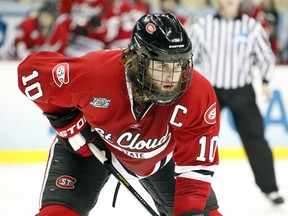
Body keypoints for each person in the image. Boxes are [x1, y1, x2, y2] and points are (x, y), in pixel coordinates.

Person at [18, 13, 222, 216]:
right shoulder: (96, 74)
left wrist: (190, 211)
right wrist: (67, 121)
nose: (172, 76)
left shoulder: (197, 93)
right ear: (138, 60)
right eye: (161, 66)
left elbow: (195, 168)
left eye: (178, 65)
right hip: (91, 145)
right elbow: (30, 72)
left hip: (162, 156)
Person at [188, 0, 284, 205]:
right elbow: (191, 55)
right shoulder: (203, 26)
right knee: (197, 138)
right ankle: (189, 187)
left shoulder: (251, 26)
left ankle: (270, 188)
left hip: (242, 89)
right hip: (212, 90)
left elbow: (266, 57)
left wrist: (265, 82)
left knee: (256, 139)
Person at [0, 0, 70, 60]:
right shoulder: (28, 25)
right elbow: (20, 48)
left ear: (54, 19)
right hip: (12, 55)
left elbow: (61, 54)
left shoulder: (61, 31)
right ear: (39, 14)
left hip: (37, 62)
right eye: (44, 15)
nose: (45, 19)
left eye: (49, 16)